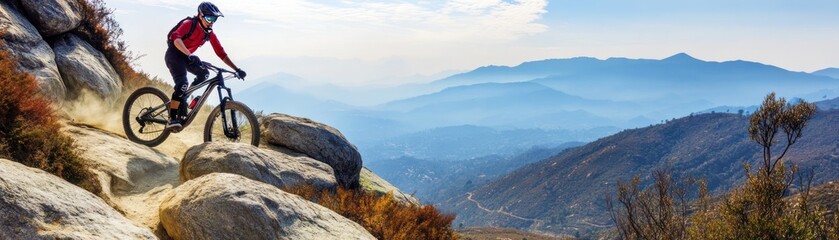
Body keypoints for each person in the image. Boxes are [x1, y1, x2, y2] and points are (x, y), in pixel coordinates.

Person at [165, 1, 246, 132]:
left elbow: (221, 53)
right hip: (174, 55)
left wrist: (237, 69)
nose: (212, 22)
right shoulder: (189, 24)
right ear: (200, 16)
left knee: (204, 74)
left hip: (187, 57)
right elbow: (176, 38)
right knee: (182, 84)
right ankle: (172, 118)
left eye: (214, 19)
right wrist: (189, 54)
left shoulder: (209, 33)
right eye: (209, 18)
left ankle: (184, 98)